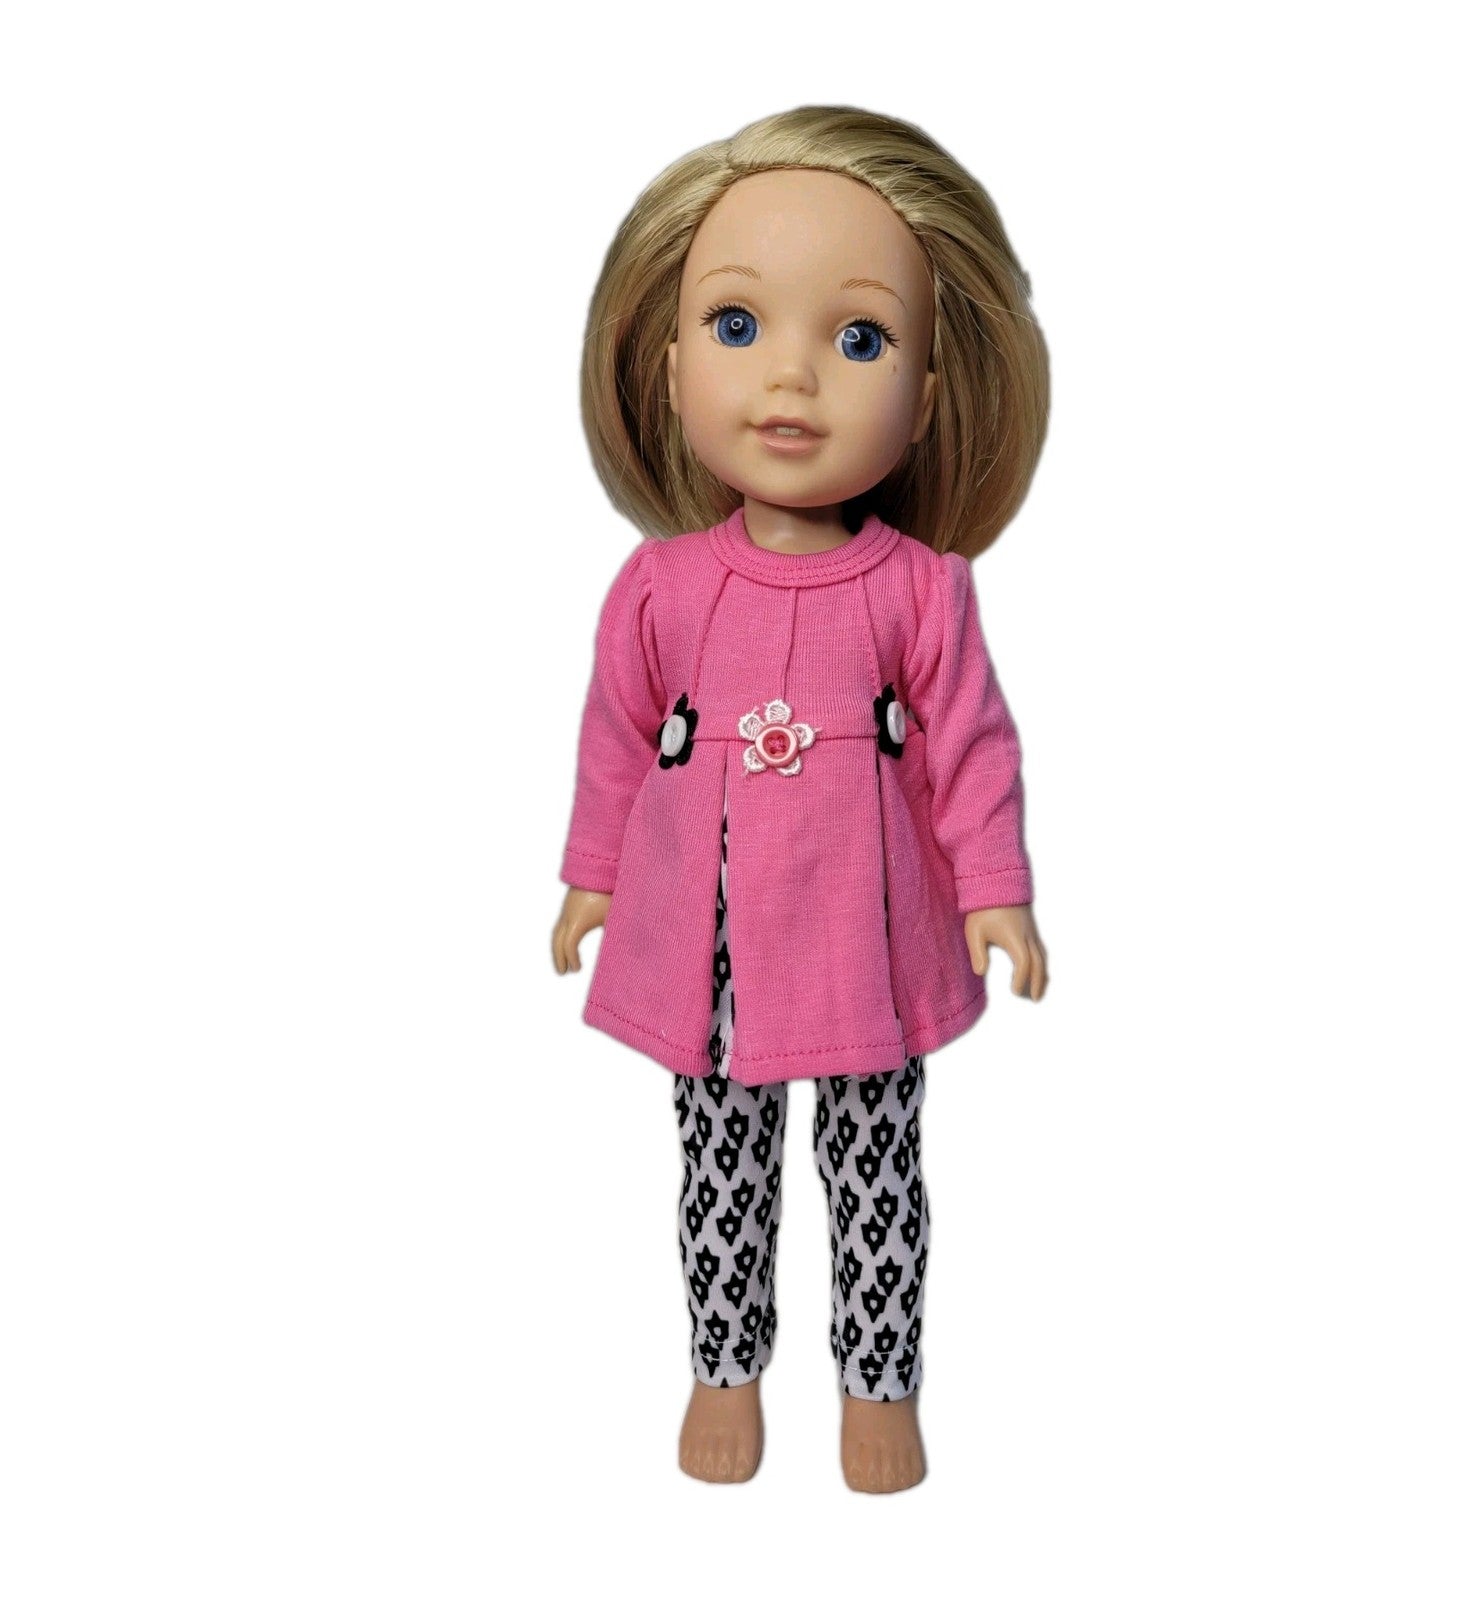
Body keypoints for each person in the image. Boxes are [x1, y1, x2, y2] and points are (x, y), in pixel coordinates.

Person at [551, 106, 1050, 1493]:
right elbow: (616, 734)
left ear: (930, 395)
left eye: (859, 339)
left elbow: (972, 748)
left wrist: (995, 893)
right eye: (737, 325)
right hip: (706, 936)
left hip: (873, 936)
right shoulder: (660, 585)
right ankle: (725, 1365)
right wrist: (593, 874)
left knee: (877, 1169)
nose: (792, 378)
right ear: (667, 368)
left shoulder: (920, 590)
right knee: (720, 1167)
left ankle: (880, 1387)